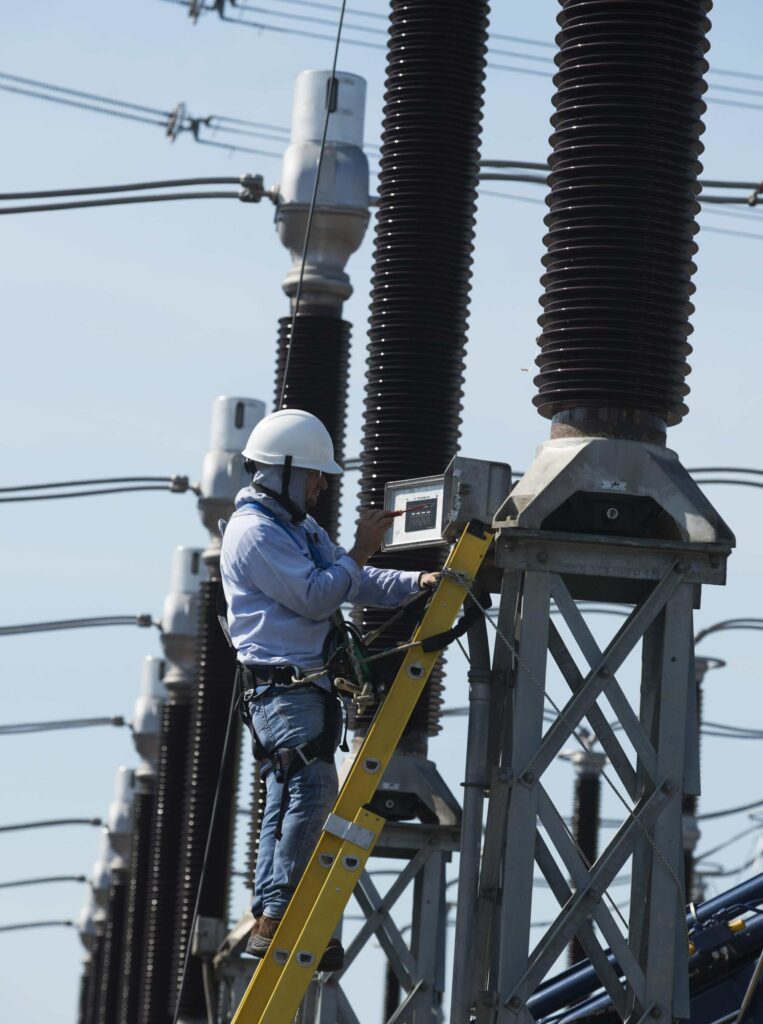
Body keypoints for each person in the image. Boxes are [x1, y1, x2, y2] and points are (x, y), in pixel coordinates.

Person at [220, 408, 437, 970]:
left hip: (302, 689)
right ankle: (281, 915)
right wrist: (363, 547)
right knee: (311, 788)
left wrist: (417, 582)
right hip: (283, 690)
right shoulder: (255, 534)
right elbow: (321, 595)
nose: (320, 486)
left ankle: (277, 914)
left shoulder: (296, 529)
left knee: (292, 794)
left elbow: (351, 579)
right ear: (284, 471)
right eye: (315, 475)